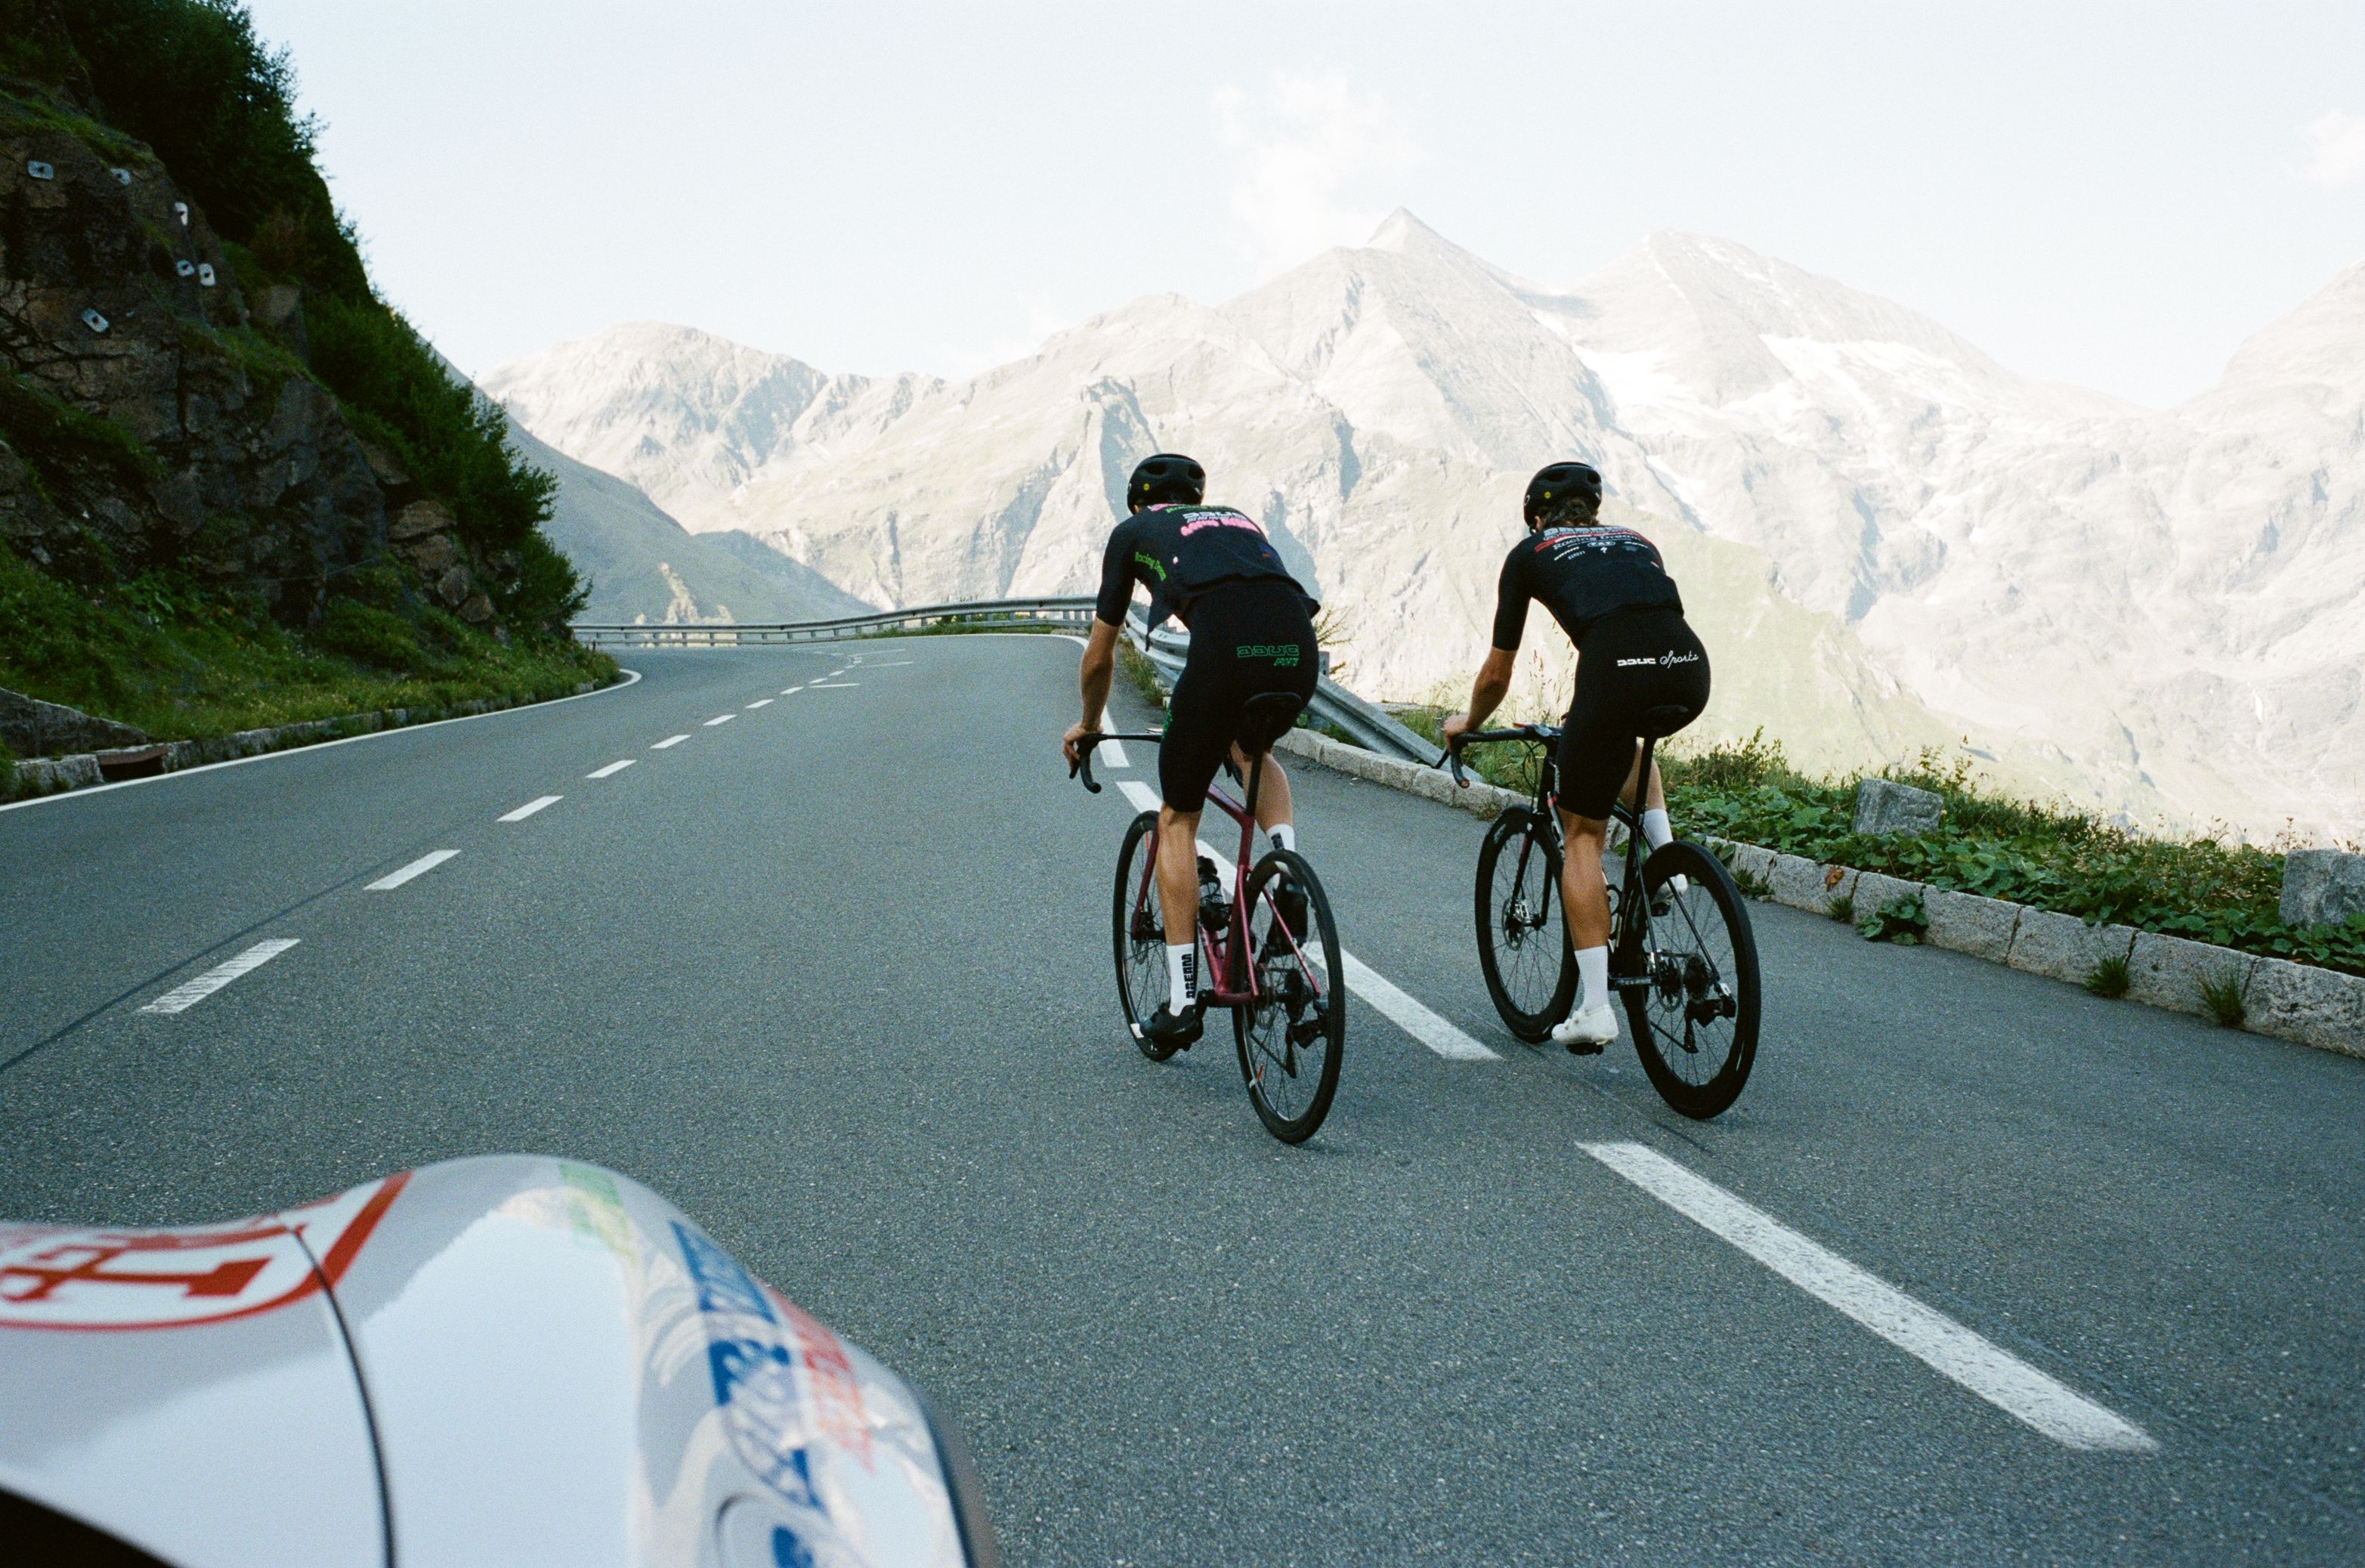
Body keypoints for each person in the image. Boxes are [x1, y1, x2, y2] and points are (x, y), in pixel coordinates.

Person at [1441, 461, 1711, 1051]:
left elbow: (1497, 672)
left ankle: (1593, 1006)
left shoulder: (1531, 551)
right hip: (1689, 669)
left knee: (1582, 835)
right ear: (1593, 511)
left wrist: (1468, 722)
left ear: (1537, 516)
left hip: (1615, 672)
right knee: (1627, 734)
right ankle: (1668, 865)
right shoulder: (1638, 541)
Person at [1063, 453, 1321, 1049]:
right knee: (1252, 748)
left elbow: (1100, 655)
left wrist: (1088, 724)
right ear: (1196, 499)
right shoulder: (1235, 520)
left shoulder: (1132, 533)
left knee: (1176, 820)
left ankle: (1181, 1002)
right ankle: (1288, 871)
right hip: (1296, 645)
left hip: (1226, 648)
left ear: (1137, 502)